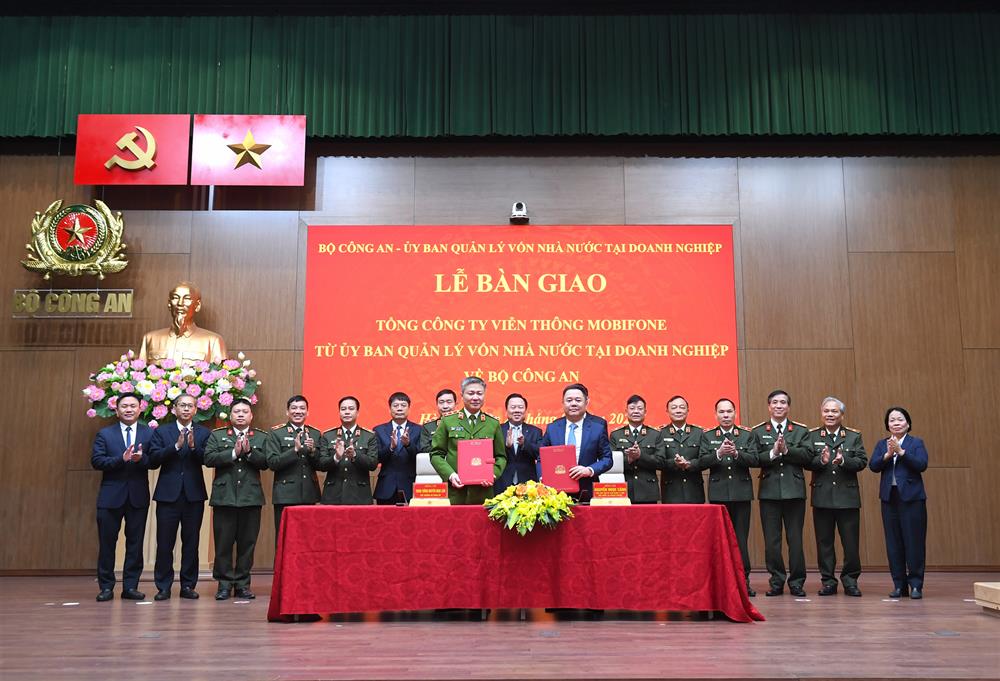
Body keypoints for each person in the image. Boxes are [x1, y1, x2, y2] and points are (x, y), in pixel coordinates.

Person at [203, 398, 269, 600]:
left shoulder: (260, 437)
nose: (240, 415)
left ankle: (242, 584)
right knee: (223, 544)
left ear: (251, 416)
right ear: (230, 416)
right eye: (236, 411)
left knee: (247, 543)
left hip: (251, 497)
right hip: (225, 497)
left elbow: (266, 462)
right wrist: (233, 453)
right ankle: (224, 584)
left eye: (244, 411)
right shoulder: (218, 435)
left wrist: (248, 452)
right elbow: (208, 459)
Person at [90, 392, 153, 602]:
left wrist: (141, 459)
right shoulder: (105, 434)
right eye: (124, 406)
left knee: (135, 544)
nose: (128, 409)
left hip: (137, 497)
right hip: (110, 497)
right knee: (107, 544)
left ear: (140, 409)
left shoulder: (148, 433)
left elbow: (154, 461)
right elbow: (97, 461)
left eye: (132, 406)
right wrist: (121, 459)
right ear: (116, 410)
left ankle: (130, 587)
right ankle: (106, 587)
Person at [147, 394, 210, 600]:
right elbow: (153, 459)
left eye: (190, 406)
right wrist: (174, 447)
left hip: (193, 495)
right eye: (182, 405)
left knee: (191, 542)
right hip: (168, 495)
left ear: (195, 410)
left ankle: (188, 585)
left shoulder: (203, 432)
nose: (186, 409)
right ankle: (163, 586)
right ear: (174, 409)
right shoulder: (162, 431)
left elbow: (207, 459)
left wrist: (192, 447)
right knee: (164, 542)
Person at [751, 390, 811, 597]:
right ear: (769, 406)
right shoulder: (758, 431)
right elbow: (754, 458)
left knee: (795, 540)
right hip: (769, 493)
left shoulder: (801, 430)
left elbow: (807, 456)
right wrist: (773, 453)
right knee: (772, 541)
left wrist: (787, 451)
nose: (779, 406)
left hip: (794, 492)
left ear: (788, 407)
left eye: (783, 402)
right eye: (775, 402)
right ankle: (776, 581)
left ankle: (797, 582)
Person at [807, 396, 868, 597]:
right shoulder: (813, 435)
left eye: (834, 411)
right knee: (824, 543)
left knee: (850, 543)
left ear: (842, 415)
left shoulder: (853, 436)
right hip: (822, 497)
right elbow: (806, 461)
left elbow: (861, 461)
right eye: (826, 411)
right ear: (821, 413)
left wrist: (844, 461)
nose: (830, 415)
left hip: (847, 498)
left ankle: (850, 581)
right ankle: (828, 582)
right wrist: (822, 461)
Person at [698, 398, 758, 596]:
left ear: (735, 414)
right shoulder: (707, 436)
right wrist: (718, 453)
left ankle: (743, 581)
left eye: (729, 412)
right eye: (721, 412)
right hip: (718, 495)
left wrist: (737, 453)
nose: (725, 415)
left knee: (741, 540)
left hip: (741, 494)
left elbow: (755, 459)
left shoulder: (746, 435)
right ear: (716, 415)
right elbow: (701, 462)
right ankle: (720, 582)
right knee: (719, 541)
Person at [869, 406, 928, 599]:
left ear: (908, 423)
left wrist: (901, 452)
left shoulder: (915, 443)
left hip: (912, 499)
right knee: (894, 544)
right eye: (892, 420)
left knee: (914, 542)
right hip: (889, 498)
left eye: (900, 419)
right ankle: (899, 585)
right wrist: (887, 455)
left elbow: (921, 465)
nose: (896, 423)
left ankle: (916, 585)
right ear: (887, 425)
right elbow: (873, 466)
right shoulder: (882, 444)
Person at [430, 376, 507, 505]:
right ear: (462, 395)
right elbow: (436, 454)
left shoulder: (493, 423)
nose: (475, 397)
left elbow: (501, 456)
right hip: (456, 492)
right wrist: (450, 475)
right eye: (471, 393)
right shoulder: (448, 421)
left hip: (483, 493)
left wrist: (493, 474)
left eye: (479, 393)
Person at [539, 383, 613, 499]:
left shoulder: (598, 426)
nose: (573, 404)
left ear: (587, 402)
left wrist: (589, 470)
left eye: (578, 400)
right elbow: (540, 458)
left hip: (587, 490)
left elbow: (607, 459)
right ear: (563, 403)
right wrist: (543, 477)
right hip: (555, 494)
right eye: (569, 400)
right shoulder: (553, 427)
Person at [265, 395, 322, 543]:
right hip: (285, 494)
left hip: (309, 494)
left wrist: (312, 452)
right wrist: (294, 451)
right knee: (284, 538)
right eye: (294, 408)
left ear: (307, 412)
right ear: (287, 412)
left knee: (308, 538)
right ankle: (282, 567)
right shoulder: (276, 433)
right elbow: (272, 463)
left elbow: (321, 464)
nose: (298, 411)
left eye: (302, 408)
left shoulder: (315, 433)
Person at [139, 281, 226, 364]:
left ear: (197, 305)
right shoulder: (150, 339)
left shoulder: (213, 341)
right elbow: (139, 374)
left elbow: (221, 376)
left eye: (187, 298)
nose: (180, 303)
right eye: (176, 298)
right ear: (169, 304)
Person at [317, 396, 378, 505]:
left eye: (351, 408)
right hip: (333, 495)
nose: (347, 412)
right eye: (343, 409)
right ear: (339, 412)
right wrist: (336, 458)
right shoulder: (327, 435)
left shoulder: (369, 436)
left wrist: (355, 455)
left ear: (357, 412)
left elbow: (373, 464)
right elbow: (321, 465)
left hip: (359, 495)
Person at [609, 395, 666, 504]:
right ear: (626, 412)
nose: (636, 411)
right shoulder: (616, 435)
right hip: (623, 490)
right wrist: (629, 459)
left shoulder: (655, 434)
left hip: (648, 491)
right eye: (632, 408)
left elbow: (661, 462)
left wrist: (641, 456)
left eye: (640, 408)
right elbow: (610, 462)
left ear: (645, 412)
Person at [373, 392, 423, 504]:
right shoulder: (379, 430)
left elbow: (421, 458)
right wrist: (390, 447)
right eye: (395, 406)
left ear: (409, 408)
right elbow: (376, 458)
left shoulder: (419, 429)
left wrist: (408, 445)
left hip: (410, 485)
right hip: (386, 487)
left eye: (403, 405)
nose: (399, 409)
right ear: (389, 409)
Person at [659, 395, 706, 504]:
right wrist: (674, 463)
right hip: (671, 492)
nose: (678, 410)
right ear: (667, 411)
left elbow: (705, 460)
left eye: (682, 407)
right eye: (674, 407)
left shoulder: (699, 433)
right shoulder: (660, 433)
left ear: (688, 410)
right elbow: (658, 461)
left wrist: (690, 464)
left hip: (694, 491)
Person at [493, 393, 543, 494]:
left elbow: (539, 455)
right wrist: (506, 447)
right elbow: (491, 454)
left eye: (520, 407)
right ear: (506, 410)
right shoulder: (497, 430)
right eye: (513, 407)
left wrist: (525, 444)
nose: (517, 410)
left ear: (525, 411)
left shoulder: (535, 431)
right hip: (502, 482)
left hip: (528, 484)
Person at [419, 388, 456, 453]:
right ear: (437, 404)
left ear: (455, 404)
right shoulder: (428, 426)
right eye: (441, 402)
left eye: (449, 402)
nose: (445, 406)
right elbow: (424, 449)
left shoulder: (464, 423)